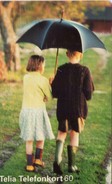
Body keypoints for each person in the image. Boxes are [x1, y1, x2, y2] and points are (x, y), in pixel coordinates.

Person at [51, 50, 94, 175]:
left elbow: (55, 93)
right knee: (75, 134)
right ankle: (72, 165)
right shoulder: (85, 70)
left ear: (66, 54)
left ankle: (57, 161)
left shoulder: (60, 69)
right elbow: (88, 94)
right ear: (81, 55)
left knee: (61, 133)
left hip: (63, 108)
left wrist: (53, 81)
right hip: (77, 109)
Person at [19, 55, 55, 172]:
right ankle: (38, 159)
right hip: (38, 112)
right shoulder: (43, 80)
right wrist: (50, 84)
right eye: (43, 64)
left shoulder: (26, 78)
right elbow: (49, 96)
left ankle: (30, 164)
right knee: (41, 135)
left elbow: (34, 92)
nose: (44, 66)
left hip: (26, 111)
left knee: (29, 139)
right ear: (39, 66)